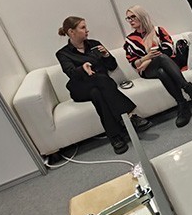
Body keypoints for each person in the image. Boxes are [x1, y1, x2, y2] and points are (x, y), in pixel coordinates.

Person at [56, 16, 151, 155]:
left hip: (101, 86)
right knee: (100, 80)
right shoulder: (63, 53)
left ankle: (115, 137)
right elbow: (71, 73)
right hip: (80, 88)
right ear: (71, 32)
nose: (87, 30)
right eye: (83, 27)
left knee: (97, 93)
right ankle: (130, 116)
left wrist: (106, 55)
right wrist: (82, 68)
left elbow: (112, 66)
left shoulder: (94, 44)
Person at [123, 5, 192, 128]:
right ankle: (190, 90)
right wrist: (146, 59)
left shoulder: (158, 31)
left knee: (162, 71)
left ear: (141, 16)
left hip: (165, 64)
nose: (130, 20)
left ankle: (182, 105)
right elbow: (134, 63)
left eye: (133, 17)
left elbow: (168, 50)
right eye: (128, 18)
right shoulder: (130, 40)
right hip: (147, 71)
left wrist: (147, 59)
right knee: (161, 59)